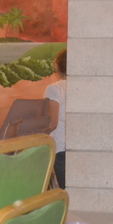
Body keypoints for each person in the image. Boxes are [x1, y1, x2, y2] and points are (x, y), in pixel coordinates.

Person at [44, 49, 66, 188]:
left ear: (56, 66)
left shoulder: (54, 88)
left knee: (62, 193)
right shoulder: (82, 87)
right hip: (77, 147)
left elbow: (52, 123)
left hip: (60, 146)